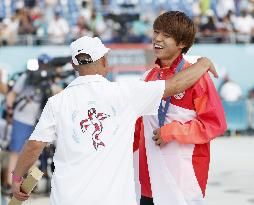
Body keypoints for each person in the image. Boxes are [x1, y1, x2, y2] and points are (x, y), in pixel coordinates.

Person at [11, 36, 217, 205]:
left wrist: (17, 178)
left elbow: (34, 146)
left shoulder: (57, 102)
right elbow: (175, 84)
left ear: (74, 64)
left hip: (68, 199)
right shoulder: (125, 93)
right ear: (105, 61)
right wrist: (204, 63)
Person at [133, 11, 227, 205]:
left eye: (166, 35)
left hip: (183, 179)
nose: (157, 39)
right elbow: (136, 129)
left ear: (182, 43)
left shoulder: (197, 77)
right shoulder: (147, 77)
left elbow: (215, 124)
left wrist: (174, 131)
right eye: (156, 32)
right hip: (148, 178)